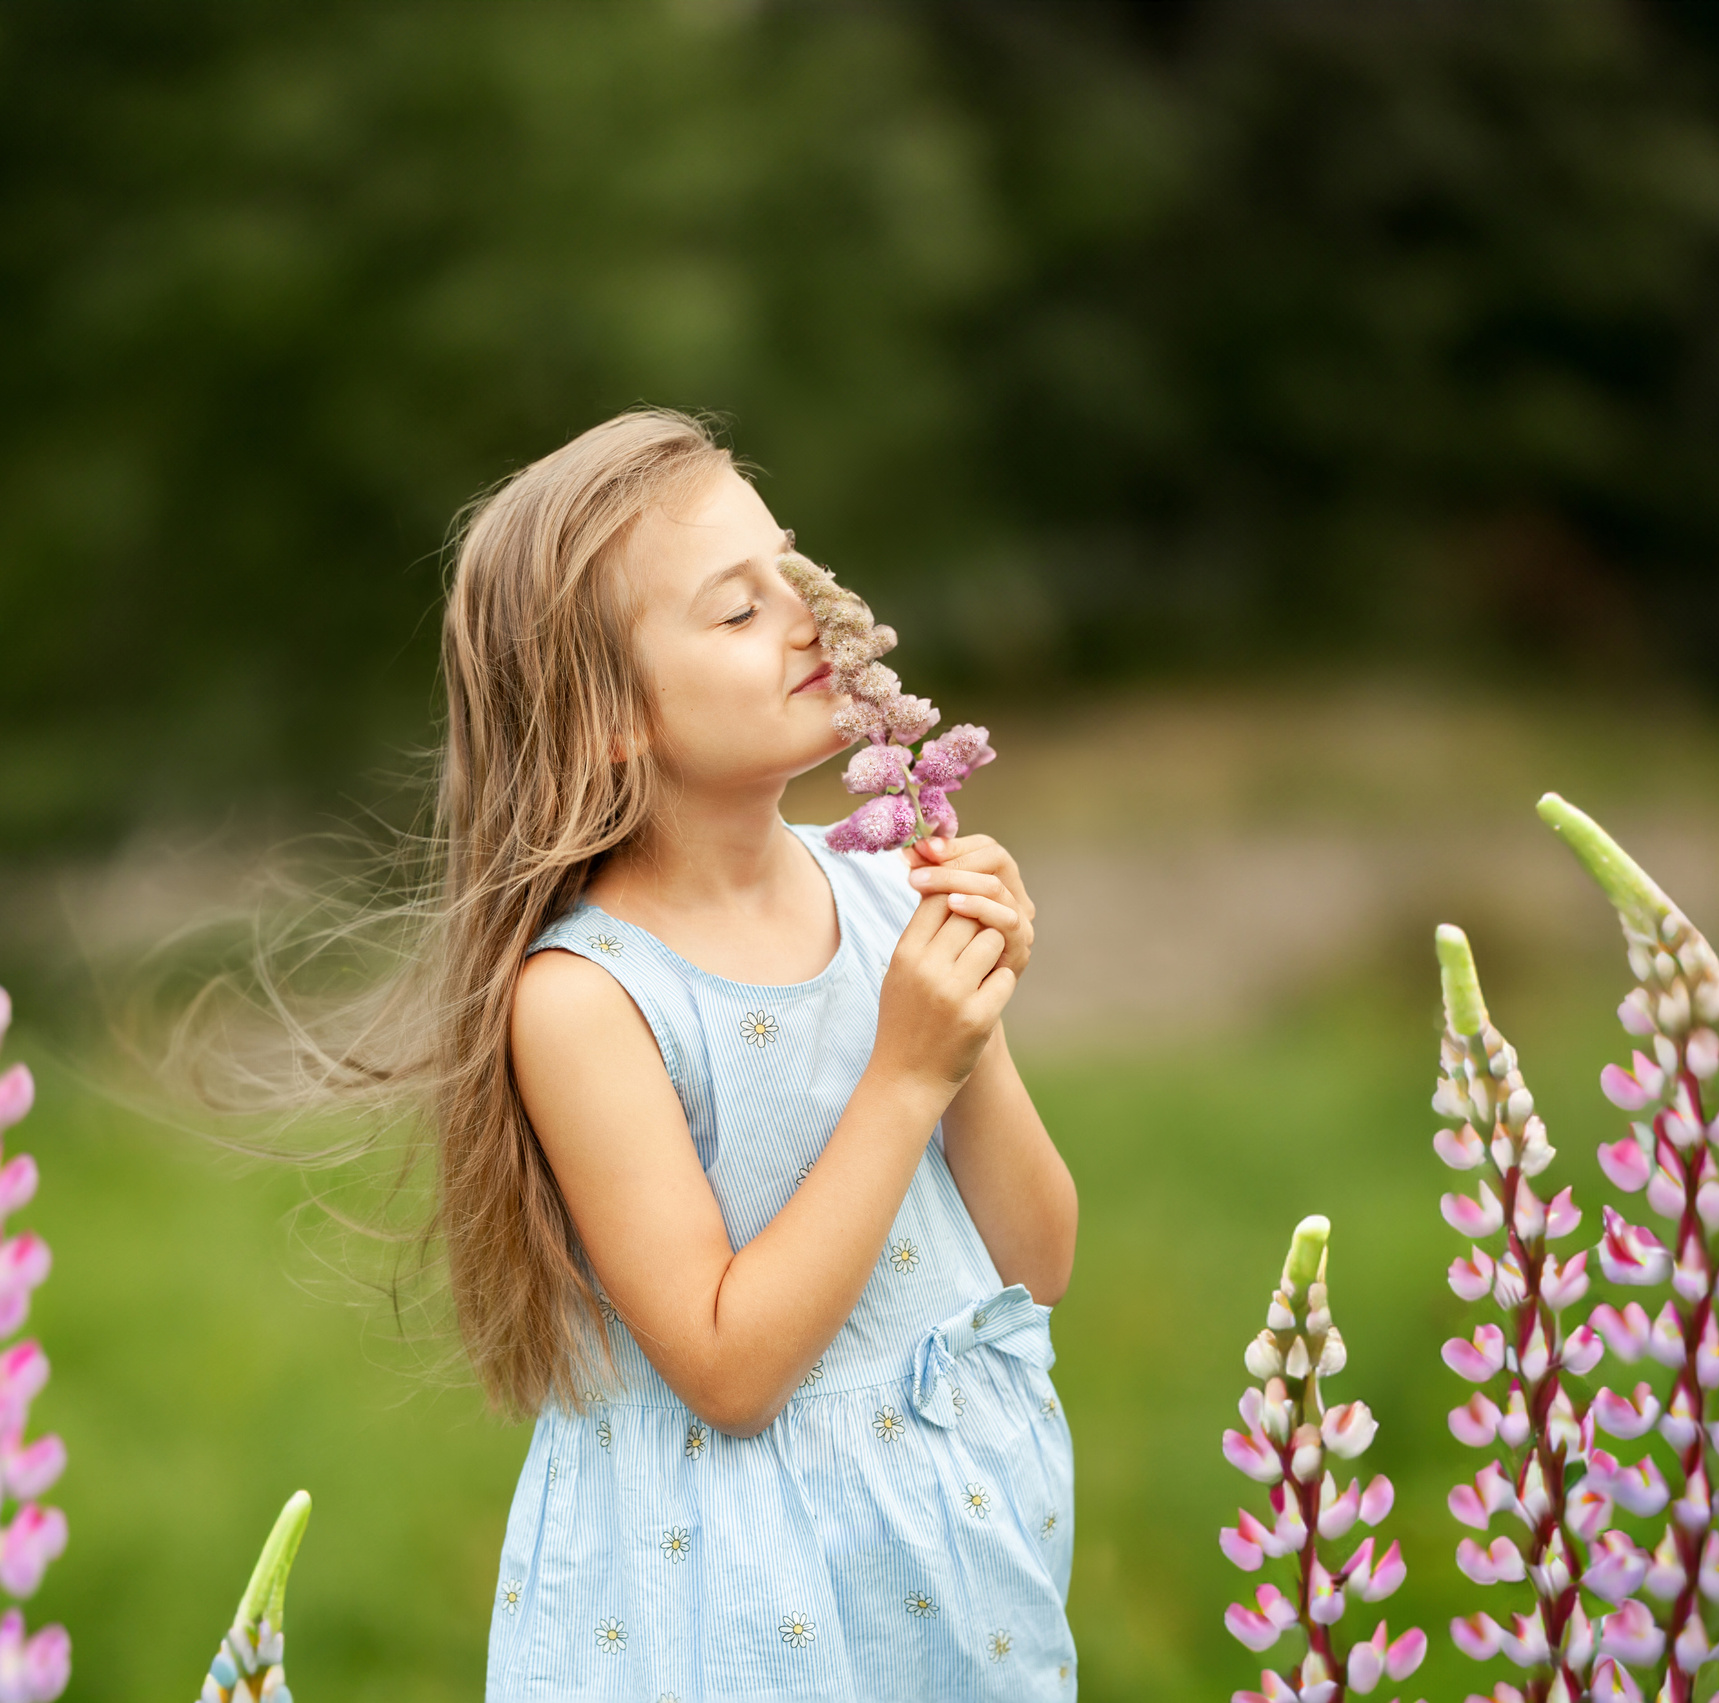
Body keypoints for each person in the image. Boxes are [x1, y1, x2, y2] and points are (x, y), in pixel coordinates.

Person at [206, 405, 1079, 1699]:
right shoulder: (588, 996)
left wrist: (969, 1028)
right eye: (737, 611)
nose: (805, 615)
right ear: (606, 717)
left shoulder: (889, 889)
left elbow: (1036, 1263)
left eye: (792, 567)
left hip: (945, 1548)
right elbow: (729, 1369)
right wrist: (903, 1073)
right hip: (734, 1596)